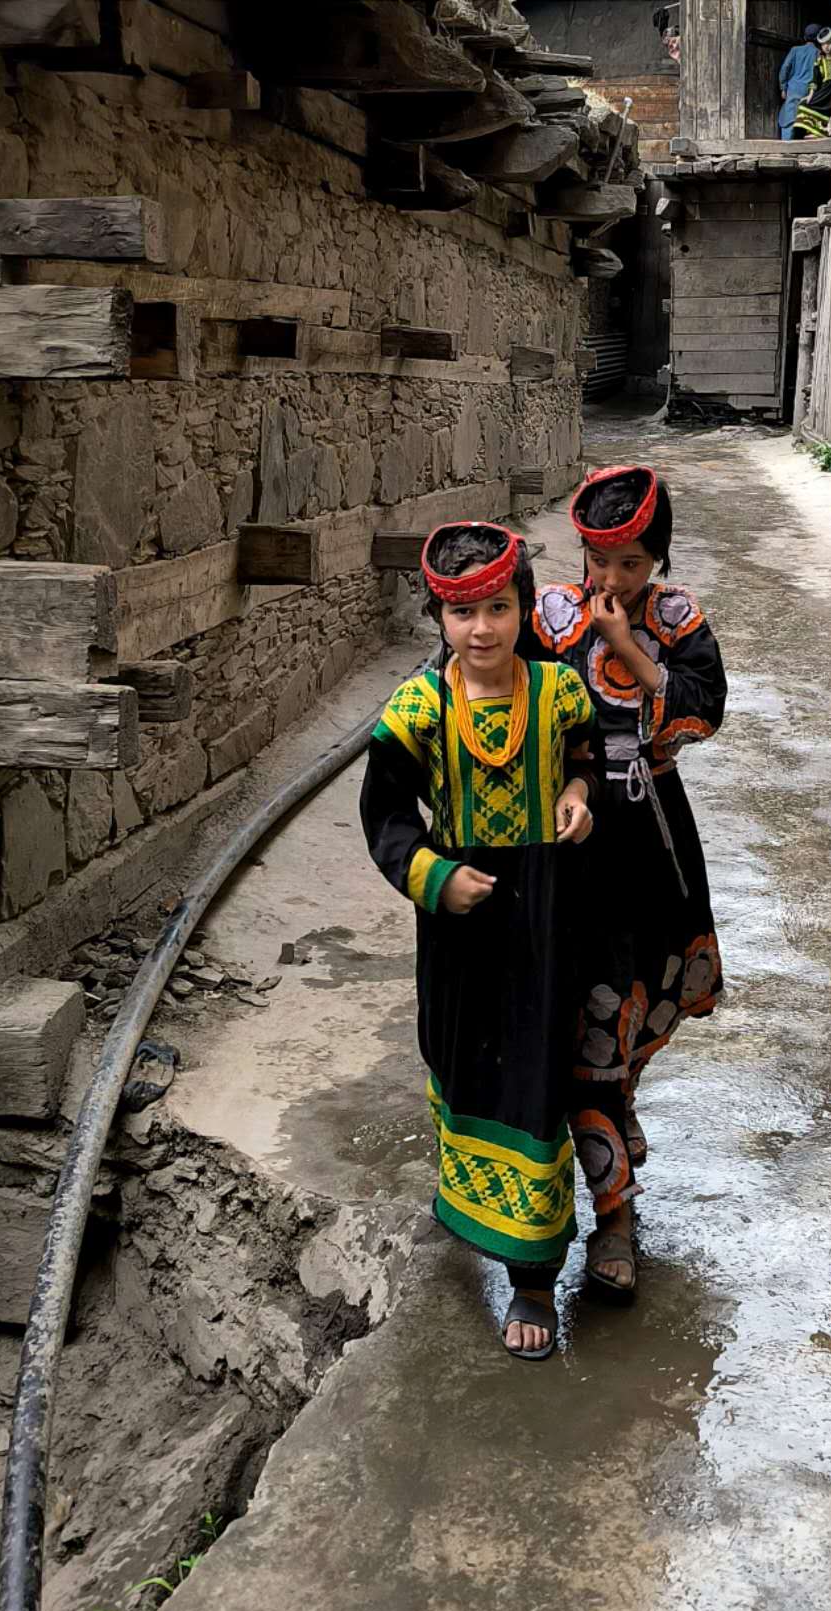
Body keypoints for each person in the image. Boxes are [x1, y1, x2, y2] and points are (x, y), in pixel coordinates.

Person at [360, 522, 600, 1362]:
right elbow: (384, 814)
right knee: (461, 1059)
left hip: (542, 916)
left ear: (525, 607)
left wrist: (576, 790)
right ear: (437, 616)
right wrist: (430, 872)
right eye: (462, 612)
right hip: (458, 923)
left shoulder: (558, 688)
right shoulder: (419, 707)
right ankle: (468, 1206)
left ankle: (534, 1272)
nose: (483, 629)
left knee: (535, 1071)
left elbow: (588, 752)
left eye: (498, 607)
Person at [529, 467, 726, 1297]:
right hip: (559, 833)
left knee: (633, 995)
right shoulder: (544, 615)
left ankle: (615, 1189)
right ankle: (614, 1207)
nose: (610, 580)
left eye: (632, 564)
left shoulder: (677, 619)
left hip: (645, 834)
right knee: (584, 1019)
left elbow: (703, 709)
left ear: (659, 558)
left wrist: (625, 648)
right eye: (600, 559)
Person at [778, 23, 821, 141]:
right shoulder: (818, 53)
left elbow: (785, 68)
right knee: (805, 121)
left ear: (804, 37)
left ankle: (785, 148)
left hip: (793, 90)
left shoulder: (795, 50)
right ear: (818, 38)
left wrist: (783, 87)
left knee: (788, 120)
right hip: (809, 92)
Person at [791, 26, 831, 140]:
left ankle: (821, 132)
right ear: (821, 46)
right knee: (804, 105)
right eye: (824, 44)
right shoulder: (820, 60)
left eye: (829, 43)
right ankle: (811, 132)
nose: (827, 47)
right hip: (824, 91)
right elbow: (815, 79)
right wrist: (810, 94)